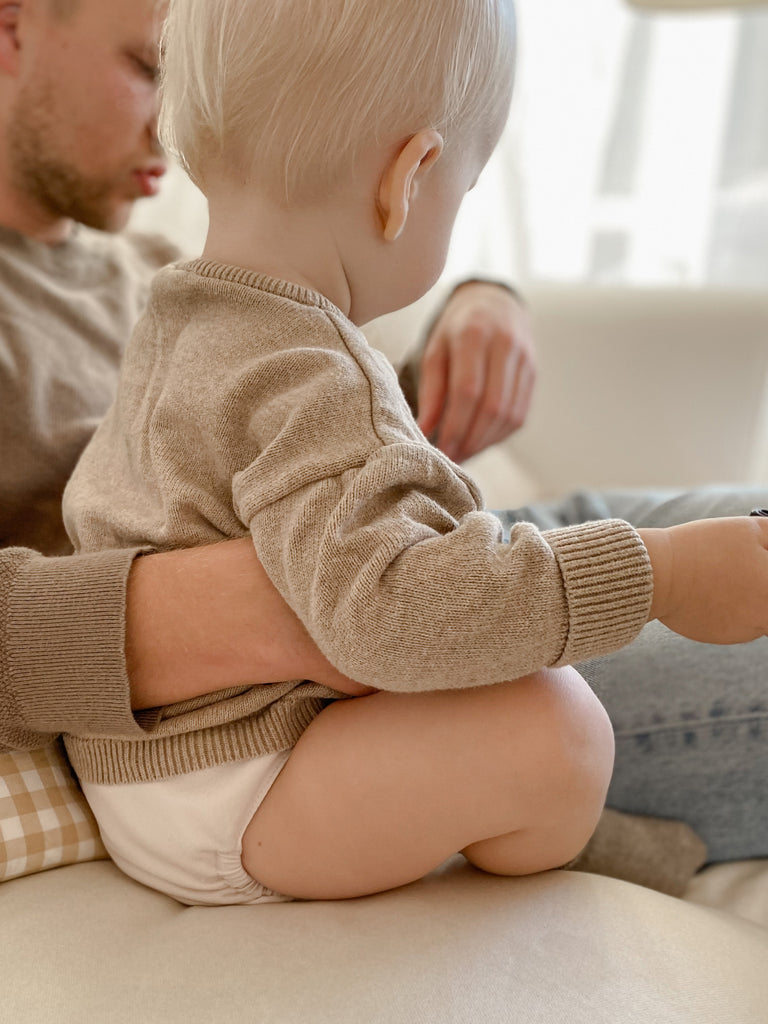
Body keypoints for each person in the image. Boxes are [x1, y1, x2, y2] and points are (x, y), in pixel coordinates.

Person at [0, 0, 762, 890]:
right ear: (11, 20)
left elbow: (303, 445)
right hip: (364, 649)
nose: (182, 124)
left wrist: (473, 307)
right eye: (153, 66)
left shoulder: (163, 274)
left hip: (434, 557)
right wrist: (257, 613)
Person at [57, 0, 768, 905]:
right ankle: (557, 833)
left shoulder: (178, 319)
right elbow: (389, 618)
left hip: (137, 764)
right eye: (463, 192)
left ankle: (552, 821)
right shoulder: (318, 374)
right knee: (560, 728)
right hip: (236, 784)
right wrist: (659, 576)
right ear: (409, 177)